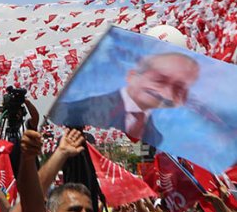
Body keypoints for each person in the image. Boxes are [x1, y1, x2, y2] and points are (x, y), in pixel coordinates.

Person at [53, 53, 200, 144]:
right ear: (132, 76)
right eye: (159, 80)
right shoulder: (82, 109)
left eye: (178, 88)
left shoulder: (162, 134)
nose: (166, 93)